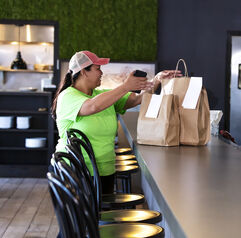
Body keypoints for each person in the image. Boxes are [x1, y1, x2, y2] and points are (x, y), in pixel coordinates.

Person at [51, 50, 181, 194]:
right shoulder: (68, 96)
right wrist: (125, 86)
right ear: (83, 72)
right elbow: (92, 106)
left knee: (102, 215)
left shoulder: (101, 95)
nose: (101, 73)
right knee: (91, 216)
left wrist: (157, 80)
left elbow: (136, 99)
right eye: (97, 69)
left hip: (104, 169)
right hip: (77, 170)